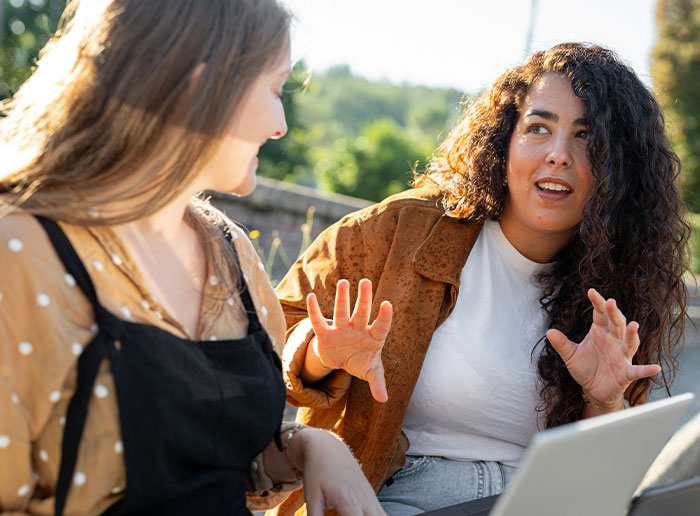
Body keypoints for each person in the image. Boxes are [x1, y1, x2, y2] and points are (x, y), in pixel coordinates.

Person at [271, 42, 691, 516]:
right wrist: (319, 352)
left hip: (538, 502)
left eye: (586, 138)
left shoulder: (625, 277)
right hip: (402, 495)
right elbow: (269, 337)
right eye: (539, 128)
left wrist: (604, 401)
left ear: (619, 169)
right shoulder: (400, 231)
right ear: (503, 140)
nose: (558, 155)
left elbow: (598, 478)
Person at [0, 1, 385, 515]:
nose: (281, 126)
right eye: (276, 89)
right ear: (200, 90)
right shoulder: (20, 252)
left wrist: (311, 446)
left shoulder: (232, 253)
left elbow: (228, 461)